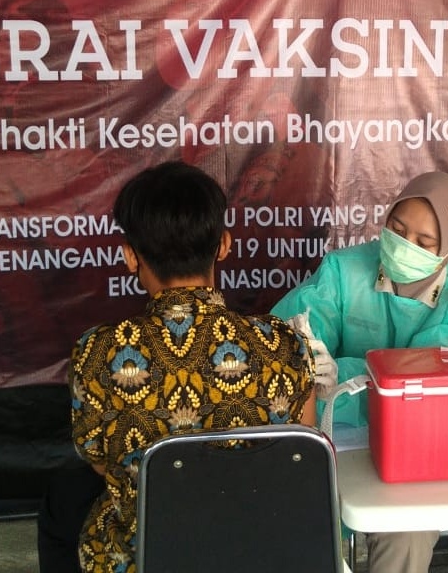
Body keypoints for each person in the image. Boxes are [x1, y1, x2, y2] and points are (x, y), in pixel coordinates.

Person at [66, 161, 315, 573]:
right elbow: (302, 448)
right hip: (263, 551)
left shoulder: (97, 352)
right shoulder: (283, 343)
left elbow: (98, 459)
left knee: (64, 503)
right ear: (224, 245)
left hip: (148, 556)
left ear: (130, 257)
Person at [271, 170, 448, 573]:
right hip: (338, 439)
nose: (405, 246)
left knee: (428, 528)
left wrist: (344, 377)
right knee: (321, 521)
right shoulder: (344, 270)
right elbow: (289, 343)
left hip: (420, 447)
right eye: (397, 228)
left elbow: (426, 387)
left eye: (424, 242)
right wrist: (308, 357)